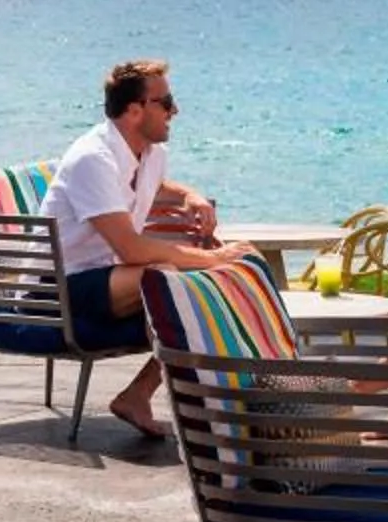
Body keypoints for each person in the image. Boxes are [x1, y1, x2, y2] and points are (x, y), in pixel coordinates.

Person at [46, 57, 263, 439]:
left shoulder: (149, 153)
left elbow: (159, 186)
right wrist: (211, 259)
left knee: (197, 287)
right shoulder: (91, 160)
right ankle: (207, 407)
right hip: (60, 285)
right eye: (166, 102)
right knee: (169, 278)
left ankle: (145, 396)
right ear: (134, 111)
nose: (174, 110)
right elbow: (131, 248)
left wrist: (190, 196)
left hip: (108, 277)